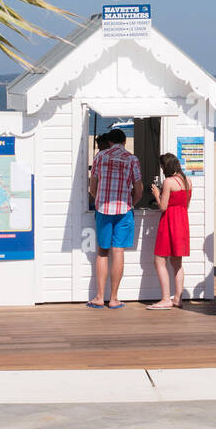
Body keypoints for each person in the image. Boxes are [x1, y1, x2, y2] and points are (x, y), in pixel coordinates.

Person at [88, 127, 142, 309]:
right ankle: (114, 298)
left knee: (103, 252)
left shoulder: (100, 156)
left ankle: (99, 297)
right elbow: (139, 188)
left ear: (109, 141)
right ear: (124, 142)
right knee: (118, 251)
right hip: (123, 209)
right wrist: (131, 202)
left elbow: (92, 185)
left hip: (103, 208)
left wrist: (98, 199)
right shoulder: (132, 159)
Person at [149, 153, 191, 310]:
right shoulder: (187, 181)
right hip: (182, 222)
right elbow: (185, 204)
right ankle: (178, 298)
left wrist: (156, 194)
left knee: (159, 260)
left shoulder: (169, 182)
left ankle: (166, 298)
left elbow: (163, 206)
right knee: (177, 263)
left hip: (169, 222)